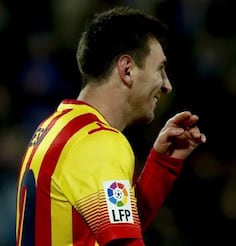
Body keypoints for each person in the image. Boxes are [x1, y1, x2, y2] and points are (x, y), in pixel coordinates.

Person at [15, 6, 206, 246]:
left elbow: (114, 225)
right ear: (127, 69)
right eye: (160, 69)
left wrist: (163, 164)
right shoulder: (98, 142)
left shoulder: (54, 128)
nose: (167, 85)